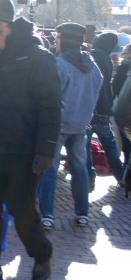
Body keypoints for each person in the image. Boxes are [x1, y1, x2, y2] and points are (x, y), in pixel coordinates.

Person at [0, 0, 61, 280]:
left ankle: (42, 254)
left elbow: (51, 107)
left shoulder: (38, 58)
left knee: (22, 213)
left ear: (5, 24)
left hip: (24, 152)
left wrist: (46, 151)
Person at [38, 23, 102, 230]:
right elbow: (97, 90)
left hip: (59, 125)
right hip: (81, 125)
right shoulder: (93, 65)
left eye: (57, 39)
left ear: (63, 41)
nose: (55, 42)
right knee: (80, 169)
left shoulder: (59, 64)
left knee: (50, 169)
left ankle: (47, 214)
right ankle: (82, 213)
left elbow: (51, 97)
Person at [85, 32, 126, 190]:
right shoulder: (108, 58)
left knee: (86, 144)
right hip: (104, 106)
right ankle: (120, 175)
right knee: (108, 142)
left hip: (92, 106)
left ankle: (89, 177)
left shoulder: (93, 54)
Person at [112, 43, 131, 166]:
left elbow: (116, 87)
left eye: (125, 53)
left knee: (126, 144)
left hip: (124, 112)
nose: (122, 56)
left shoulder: (124, 66)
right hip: (124, 112)